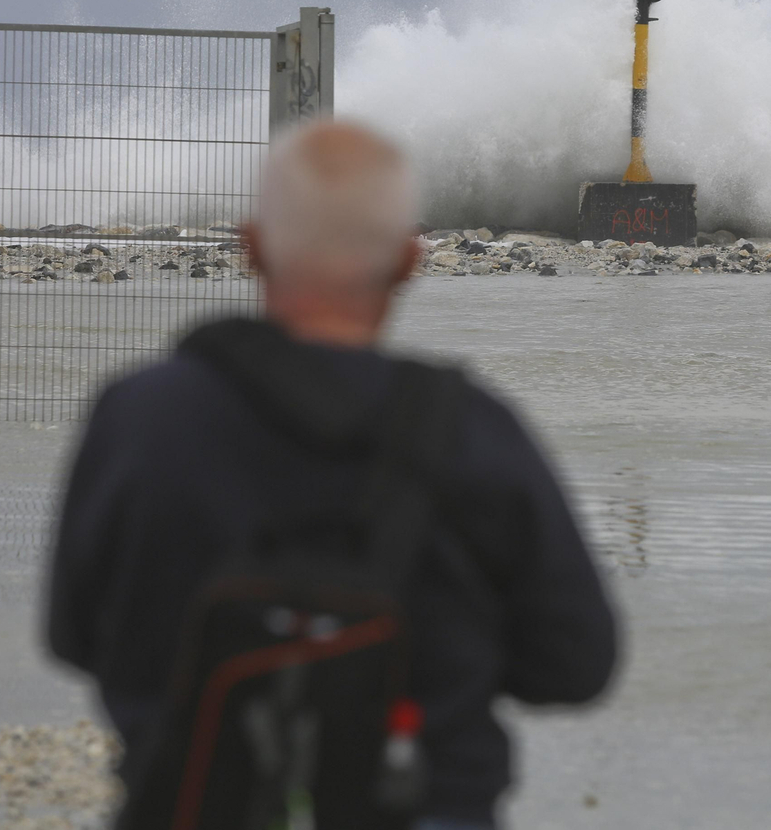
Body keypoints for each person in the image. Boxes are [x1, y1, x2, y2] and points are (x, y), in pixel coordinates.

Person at [46, 120, 618, 830]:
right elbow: (576, 665)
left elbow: (71, 636)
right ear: (410, 261)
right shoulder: (476, 431)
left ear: (250, 247)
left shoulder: (137, 418)